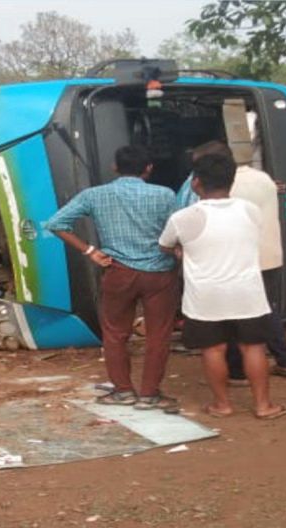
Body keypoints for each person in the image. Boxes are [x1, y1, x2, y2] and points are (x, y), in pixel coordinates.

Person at [44, 146, 180, 411]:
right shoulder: (165, 195)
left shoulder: (95, 195)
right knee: (158, 334)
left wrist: (91, 251)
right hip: (160, 273)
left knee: (116, 334)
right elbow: (176, 230)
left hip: (118, 271)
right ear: (148, 168)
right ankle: (150, 394)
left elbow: (56, 223)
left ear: (114, 167)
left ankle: (123, 391)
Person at [160, 153, 286, 419]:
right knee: (253, 347)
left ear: (196, 184)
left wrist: (182, 250)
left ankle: (222, 405)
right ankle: (263, 405)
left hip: (205, 297)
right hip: (247, 293)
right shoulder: (249, 210)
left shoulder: (184, 218)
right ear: (231, 181)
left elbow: (165, 245)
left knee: (213, 349)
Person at [177, 141, 286, 384]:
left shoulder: (218, 188)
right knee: (266, 310)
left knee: (231, 319)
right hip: (270, 255)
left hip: (238, 259)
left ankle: (237, 372)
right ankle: (285, 360)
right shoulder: (262, 178)